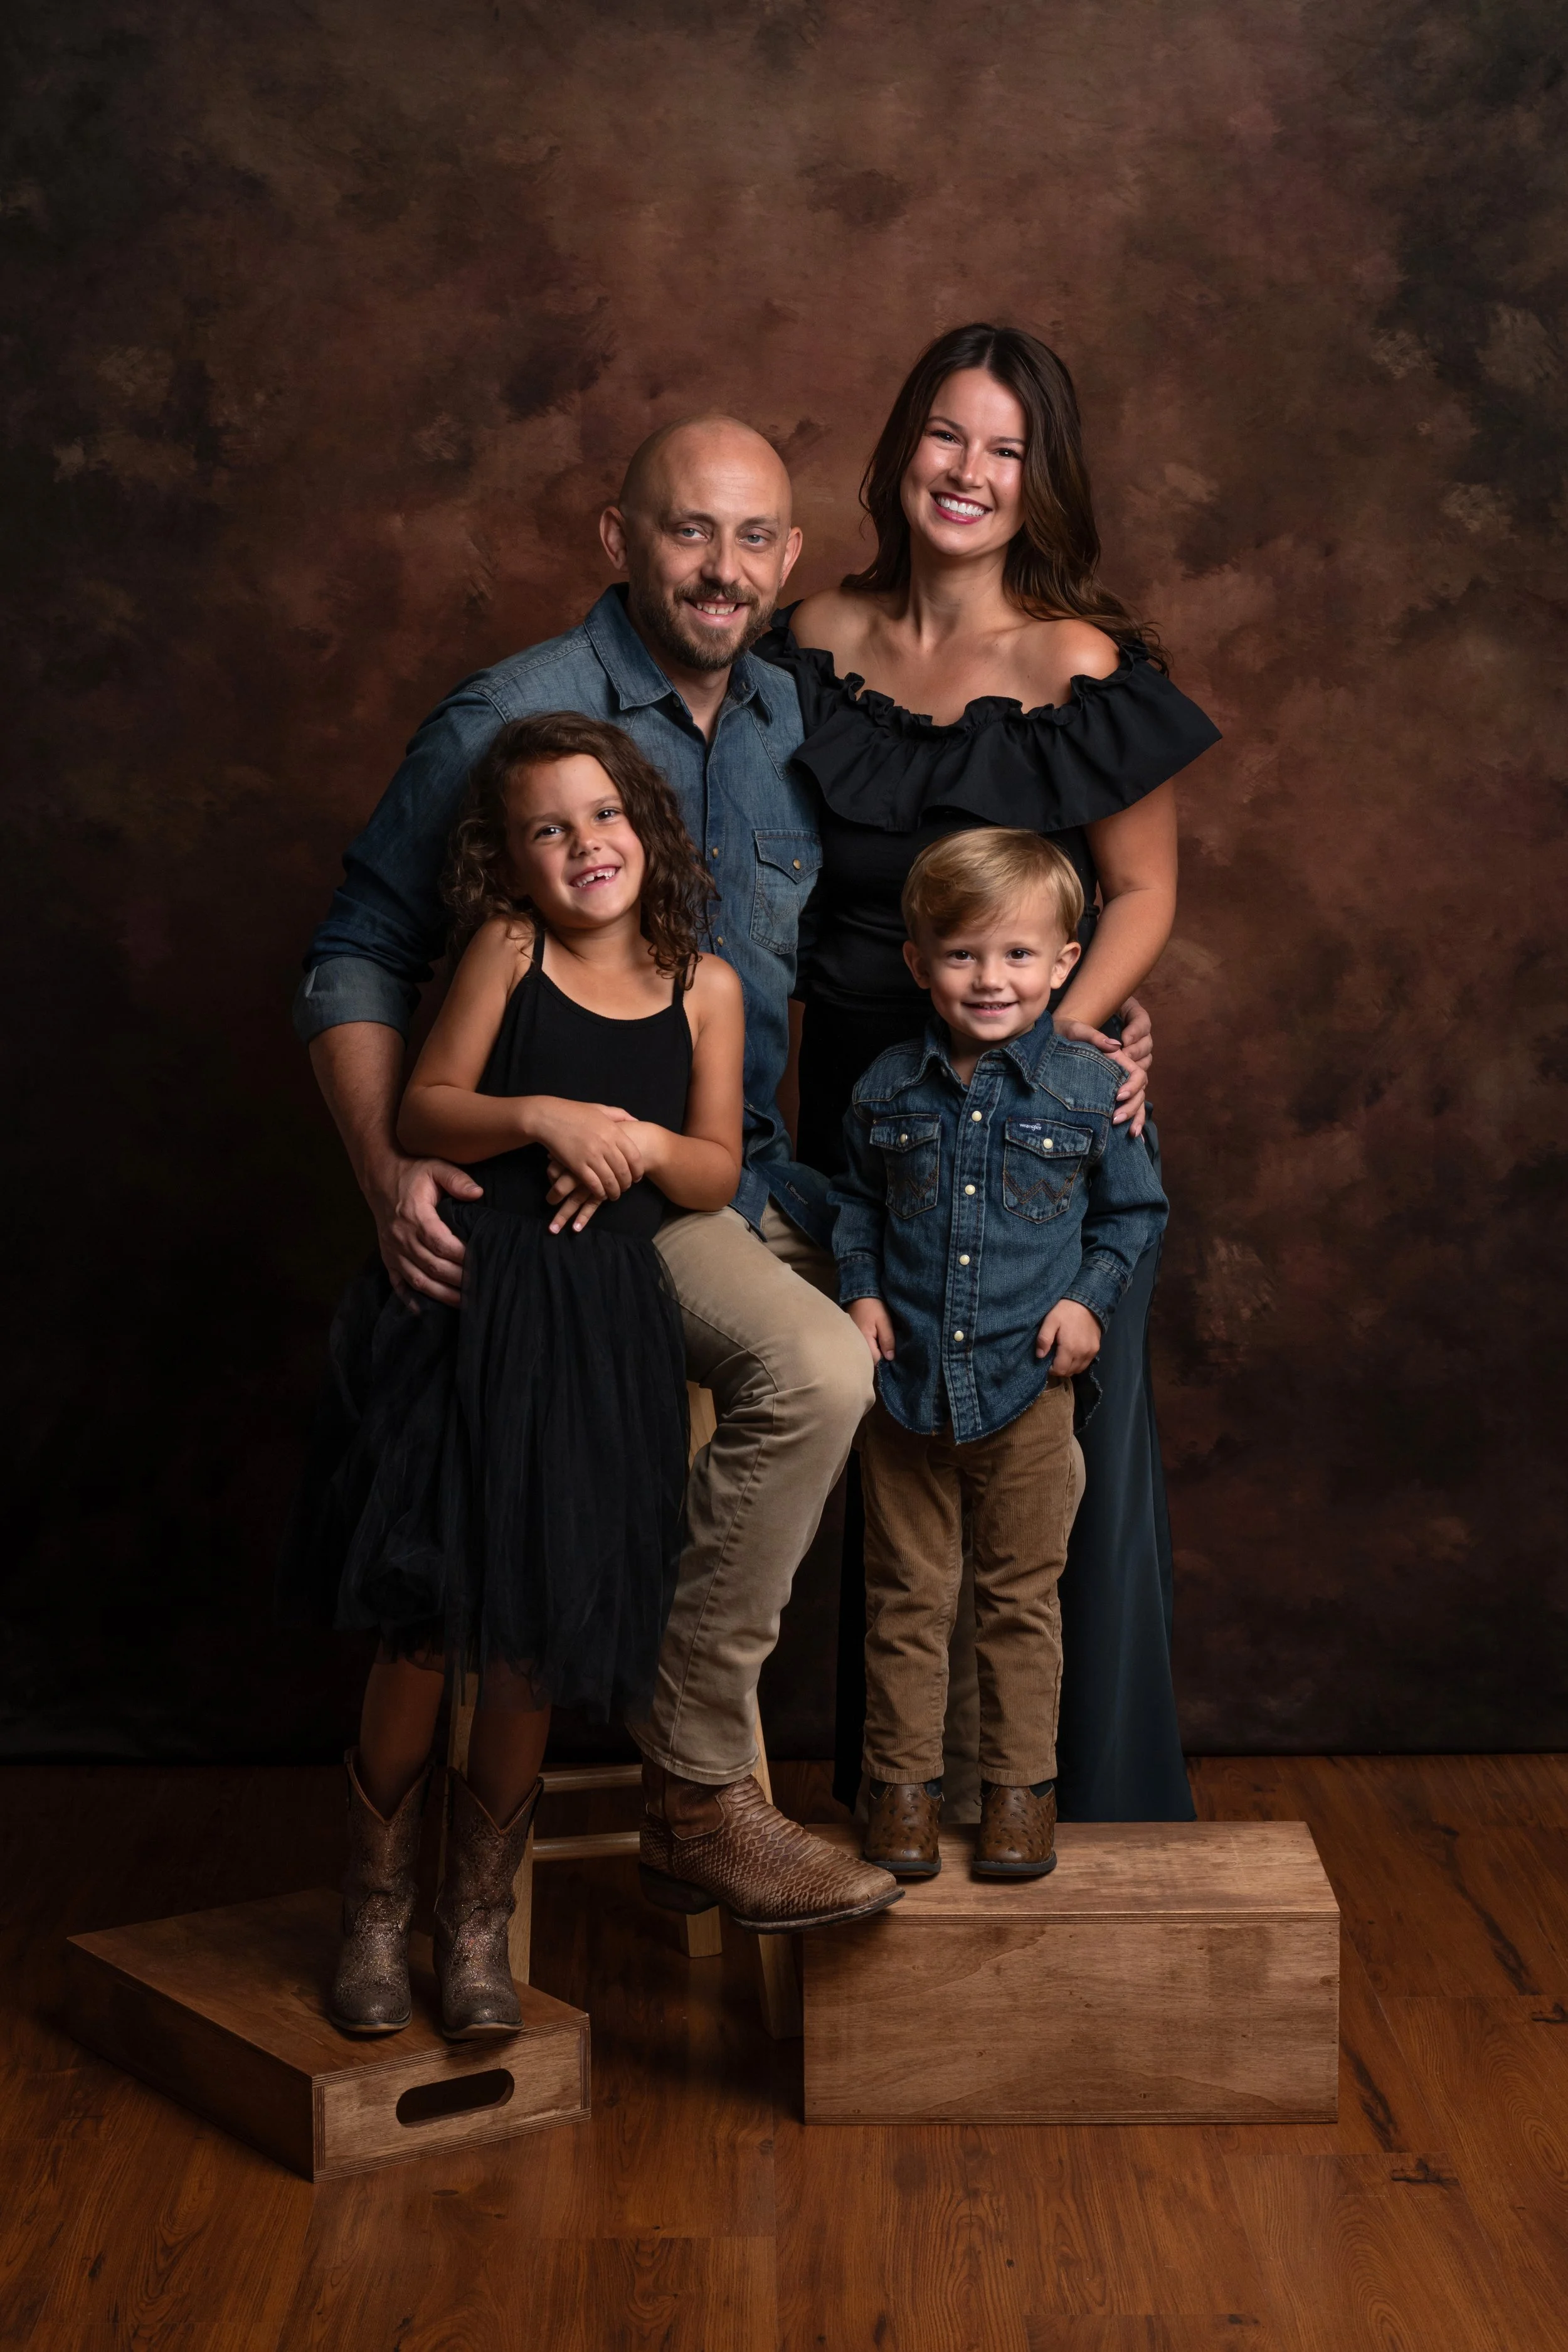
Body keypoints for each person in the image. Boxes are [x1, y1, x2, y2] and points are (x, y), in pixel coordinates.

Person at [292, 416, 896, 1935]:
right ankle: (654, 1798)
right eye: (690, 531)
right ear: (616, 539)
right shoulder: (510, 721)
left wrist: (1074, 1012)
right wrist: (387, 1166)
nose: (723, 568)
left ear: (788, 560)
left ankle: (778, 1777)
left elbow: (865, 934)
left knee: (924, 1349)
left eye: (755, 538)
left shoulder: (782, 715)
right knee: (800, 1376)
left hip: (727, 1183)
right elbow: (353, 952)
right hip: (549, 1204)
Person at [758, 322, 1220, 1821]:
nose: (967, 471)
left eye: (1004, 449)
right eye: (945, 436)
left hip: (1033, 1140)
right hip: (844, 1104)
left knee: (1047, 1467)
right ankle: (891, 1797)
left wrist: (1060, 1043)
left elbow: (1139, 892)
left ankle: (1063, 1801)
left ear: (1040, 482)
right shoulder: (809, 633)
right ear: (900, 450)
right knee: (887, 1461)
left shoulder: (1081, 663)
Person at [289, 715, 756, 2035]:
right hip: (474, 1311)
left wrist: (635, 1140)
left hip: (603, 1327)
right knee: (432, 1622)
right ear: (507, 860)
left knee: (533, 1642)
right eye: (545, 829)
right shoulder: (509, 950)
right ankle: (374, 1909)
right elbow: (426, 1105)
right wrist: (546, 1116)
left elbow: (714, 1168)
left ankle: (475, 1924)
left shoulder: (705, 987)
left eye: (601, 815)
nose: (582, 845)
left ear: (644, 824)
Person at [831, 829, 1168, 1879]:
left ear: (1066, 962)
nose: (991, 980)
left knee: (1023, 1602)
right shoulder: (887, 1086)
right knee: (906, 1601)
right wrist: (863, 1291)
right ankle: (902, 1796)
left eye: (1019, 956)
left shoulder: (1086, 1086)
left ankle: (1021, 1797)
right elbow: (852, 1203)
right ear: (918, 961)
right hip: (908, 1391)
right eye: (964, 954)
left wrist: (1089, 1303)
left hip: (1031, 1391)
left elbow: (1132, 1215)